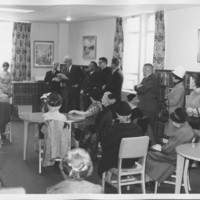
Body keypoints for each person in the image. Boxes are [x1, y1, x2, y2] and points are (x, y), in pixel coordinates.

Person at [145, 108, 194, 183]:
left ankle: (149, 177)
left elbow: (168, 150)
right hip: (179, 155)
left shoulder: (181, 132)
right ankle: (151, 177)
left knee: (147, 154)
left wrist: (160, 148)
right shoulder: (187, 128)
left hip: (173, 158)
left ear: (177, 121)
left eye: (173, 121)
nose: (172, 123)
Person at [98, 101, 143, 178]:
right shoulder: (138, 129)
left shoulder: (114, 129)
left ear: (118, 115)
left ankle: (107, 176)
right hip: (132, 161)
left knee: (107, 155)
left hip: (117, 162)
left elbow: (104, 144)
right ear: (130, 114)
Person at [40, 92, 69, 167]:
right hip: (61, 142)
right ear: (60, 105)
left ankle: (48, 157)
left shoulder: (44, 116)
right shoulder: (63, 117)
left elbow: (43, 130)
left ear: (47, 104)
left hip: (48, 141)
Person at [134, 63, 158, 130]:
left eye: (143, 70)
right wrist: (136, 87)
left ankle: (150, 140)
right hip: (144, 106)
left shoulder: (152, 79)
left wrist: (138, 87)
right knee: (144, 126)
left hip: (148, 107)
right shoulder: (145, 79)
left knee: (149, 127)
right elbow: (138, 87)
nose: (142, 71)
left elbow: (141, 90)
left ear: (146, 70)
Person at [164, 66, 186, 137]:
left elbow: (175, 101)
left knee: (171, 132)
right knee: (170, 131)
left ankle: (170, 147)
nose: (172, 78)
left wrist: (167, 102)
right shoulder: (177, 86)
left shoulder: (180, 87)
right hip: (172, 112)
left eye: (173, 77)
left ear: (177, 78)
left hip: (174, 112)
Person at [186, 74, 200, 168]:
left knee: (198, 141)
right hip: (190, 120)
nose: (192, 83)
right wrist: (190, 111)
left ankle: (196, 161)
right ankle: (190, 158)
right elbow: (187, 105)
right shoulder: (192, 93)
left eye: (194, 81)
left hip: (198, 121)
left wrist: (193, 111)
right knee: (190, 139)